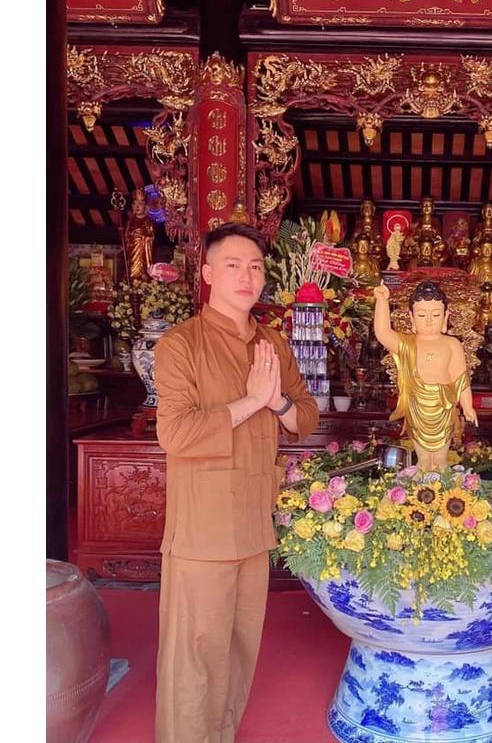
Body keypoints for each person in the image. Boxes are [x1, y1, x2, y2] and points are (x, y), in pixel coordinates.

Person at [153, 222, 319, 743]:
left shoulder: (272, 343)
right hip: (203, 528)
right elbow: (175, 434)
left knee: (241, 646)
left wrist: (278, 401)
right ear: (207, 274)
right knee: (195, 653)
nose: (247, 277)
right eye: (232, 265)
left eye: (255, 267)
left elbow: (305, 417)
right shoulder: (181, 345)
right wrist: (250, 402)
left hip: (254, 519)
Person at [373, 279, 478, 471]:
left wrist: (467, 406)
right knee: (423, 460)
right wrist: (382, 302)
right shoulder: (408, 344)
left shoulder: (452, 344)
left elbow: (460, 378)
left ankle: (442, 487)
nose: (429, 320)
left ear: (446, 316)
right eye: (422, 315)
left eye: (436, 314)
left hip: (443, 405)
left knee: (440, 461)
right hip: (417, 404)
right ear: (412, 318)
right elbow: (383, 333)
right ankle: (422, 488)